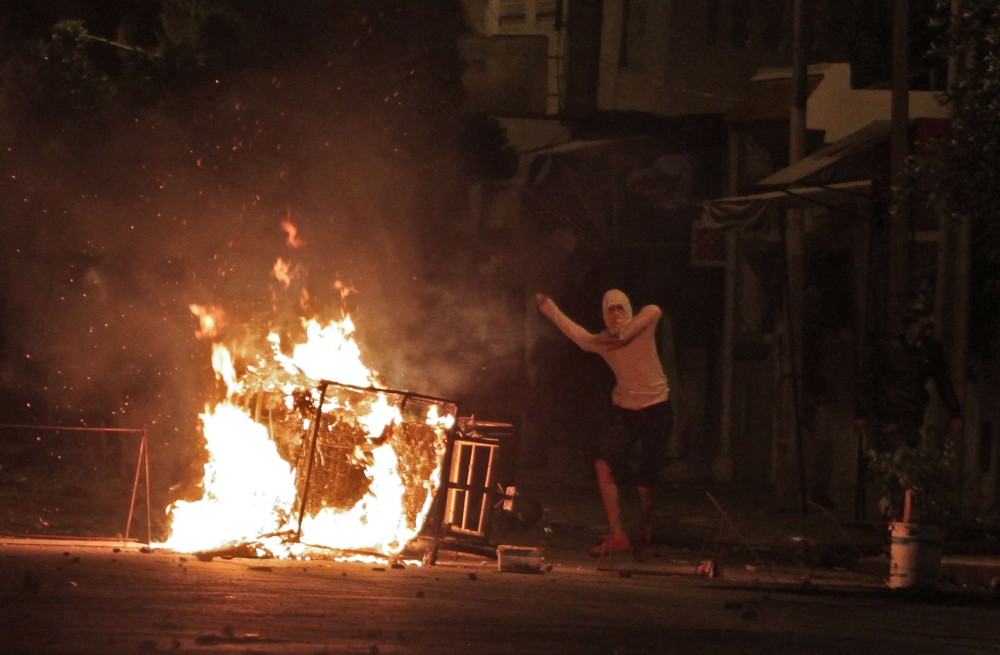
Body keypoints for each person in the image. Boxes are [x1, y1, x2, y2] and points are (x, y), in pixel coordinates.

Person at [536, 289, 672, 562]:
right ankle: (618, 533)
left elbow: (623, 334)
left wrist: (605, 338)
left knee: (646, 481)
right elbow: (577, 334)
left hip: (656, 408)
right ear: (604, 314)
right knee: (603, 463)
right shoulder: (602, 341)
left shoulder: (649, 315)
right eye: (611, 311)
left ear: (628, 309)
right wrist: (548, 307)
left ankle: (644, 529)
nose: (616, 315)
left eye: (620, 309)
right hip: (625, 410)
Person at [854, 301, 963, 455]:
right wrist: (861, 413)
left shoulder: (930, 350)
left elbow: (943, 382)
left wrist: (955, 413)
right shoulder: (888, 348)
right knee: (894, 460)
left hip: (913, 417)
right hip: (889, 415)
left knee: (909, 462)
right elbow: (869, 380)